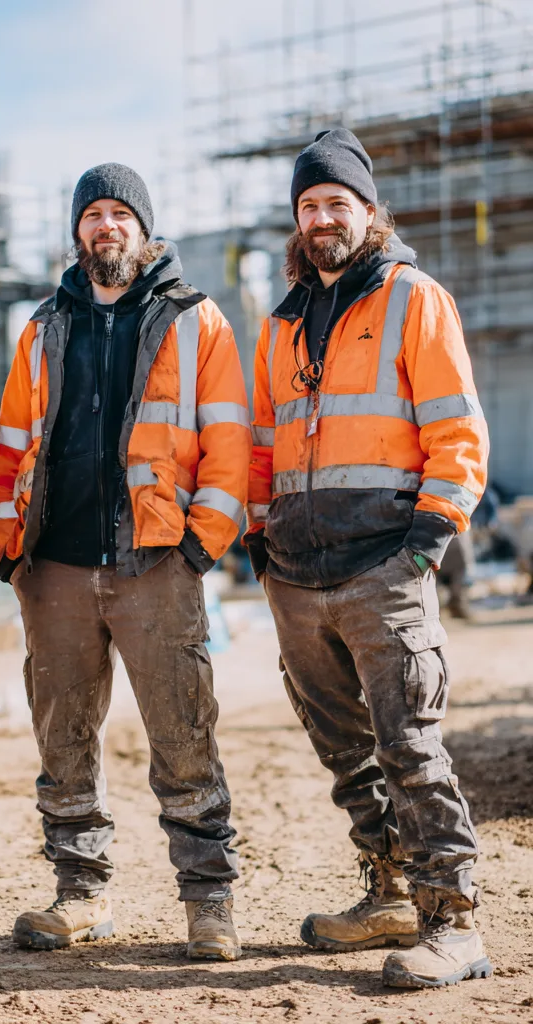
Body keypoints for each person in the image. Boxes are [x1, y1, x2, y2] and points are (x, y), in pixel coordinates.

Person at [245, 128, 491, 989]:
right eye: (308, 206)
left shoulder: (412, 299)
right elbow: (265, 442)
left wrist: (424, 547)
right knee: (344, 749)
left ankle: (453, 920)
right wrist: (256, 535)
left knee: (410, 747)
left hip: (384, 565)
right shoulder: (281, 323)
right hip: (297, 573)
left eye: (336, 203)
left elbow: (458, 431)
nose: (321, 219)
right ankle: (387, 888)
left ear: (368, 211)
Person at [0, 164, 251, 960]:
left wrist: (200, 544)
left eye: (120, 214)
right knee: (62, 738)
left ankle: (209, 903)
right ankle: (80, 894)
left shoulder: (196, 320)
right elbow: (9, 448)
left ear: (144, 228)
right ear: (78, 232)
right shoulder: (43, 326)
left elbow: (230, 442)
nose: (107, 226)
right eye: (93, 214)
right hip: (55, 568)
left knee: (183, 734)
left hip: (156, 563)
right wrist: (11, 551)